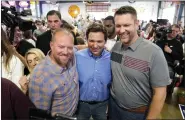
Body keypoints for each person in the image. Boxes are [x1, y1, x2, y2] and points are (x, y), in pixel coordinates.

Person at [108, 6, 171, 120]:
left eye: (126, 25)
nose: (121, 30)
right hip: (113, 107)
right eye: (118, 26)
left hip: (136, 114)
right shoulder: (116, 47)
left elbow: (160, 94)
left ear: (136, 23)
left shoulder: (154, 52)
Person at [29, 28, 79, 116]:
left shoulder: (72, 56)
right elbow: (40, 116)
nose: (66, 52)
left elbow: (76, 48)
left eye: (69, 47)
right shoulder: (40, 76)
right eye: (61, 47)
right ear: (51, 45)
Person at [76, 23, 112, 120]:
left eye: (99, 41)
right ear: (86, 40)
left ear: (105, 41)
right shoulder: (77, 56)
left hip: (103, 106)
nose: (95, 45)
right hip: (80, 105)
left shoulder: (113, 57)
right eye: (91, 41)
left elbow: (130, 62)